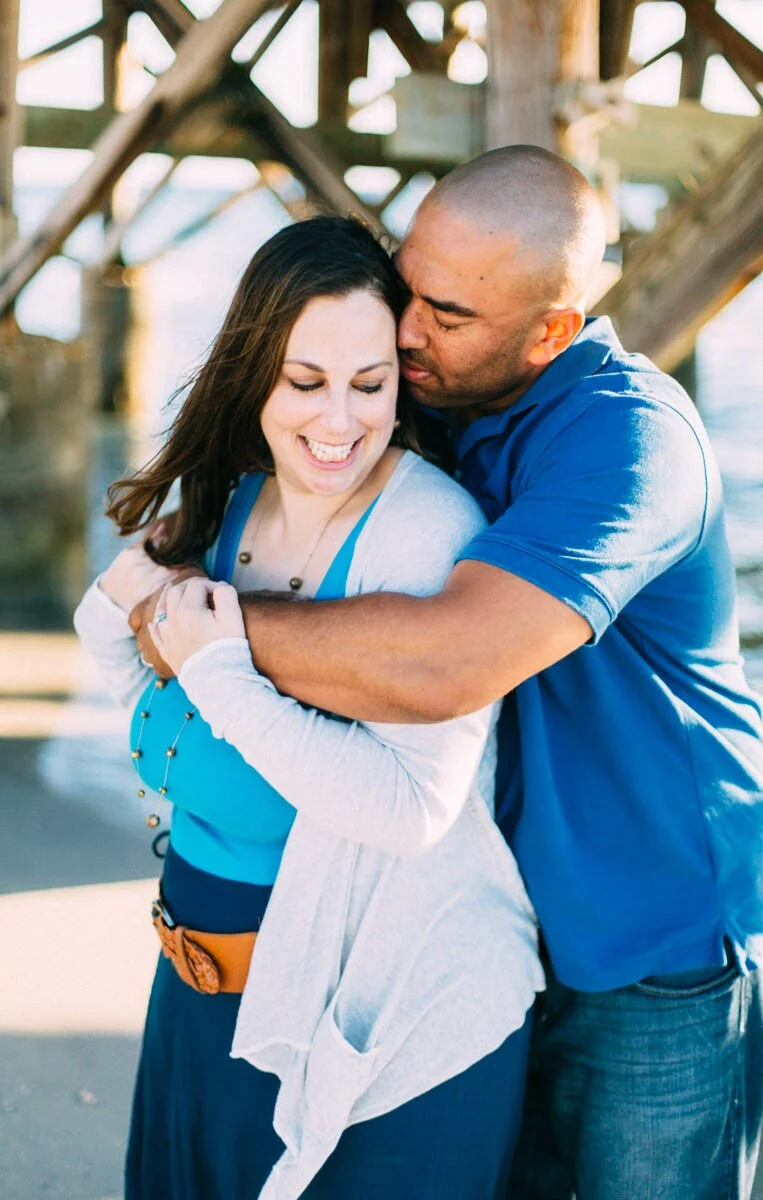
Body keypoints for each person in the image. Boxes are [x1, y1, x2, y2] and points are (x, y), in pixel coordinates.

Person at [134, 146, 763, 1200]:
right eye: (405, 283)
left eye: (445, 314)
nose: (403, 331)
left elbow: (444, 661)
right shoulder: (438, 393)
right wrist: (182, 560)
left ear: (550, 333)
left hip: (647, 938)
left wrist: (205, 631)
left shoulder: (629, 443)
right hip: (489, 926)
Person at [74, 215, 542, 1200]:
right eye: (304, 382)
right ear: (253, 376)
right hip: (199, 999)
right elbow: (147, 669)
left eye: (369, 386)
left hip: (375, 1019)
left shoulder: (424, 534)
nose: (338, 423)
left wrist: (220, 667)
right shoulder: (227, 497)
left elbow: (412, 808)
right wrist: (137, 607)